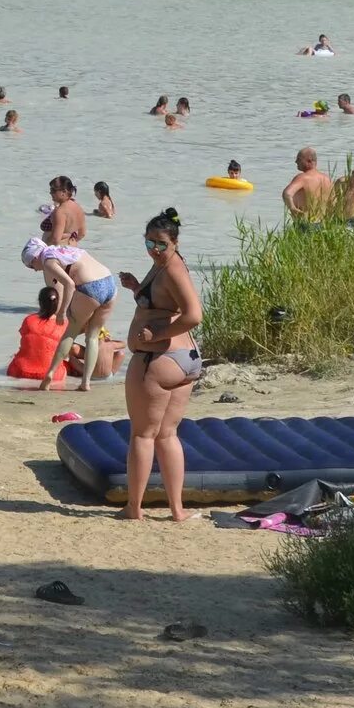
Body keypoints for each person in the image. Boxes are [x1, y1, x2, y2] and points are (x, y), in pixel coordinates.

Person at [118, 209, 203, 521]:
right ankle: (177, 511)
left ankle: (133, 508)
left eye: (161, 244)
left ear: (176, 242)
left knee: (142, 435)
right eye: (149, 242)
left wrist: (156, 335)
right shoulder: (163, 265)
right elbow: (162, 303)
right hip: (183, 361)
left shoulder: (172, 270)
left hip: (160, 360)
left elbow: (194, 314)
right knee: (167, 434)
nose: (154, 249)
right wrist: (136, 288)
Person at [24, 222, 115, 393]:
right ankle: (85, 383)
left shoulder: (48, 260)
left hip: (92, 286)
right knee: (93, 336)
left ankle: (49, 375)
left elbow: (70, 285)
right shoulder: (64, 250)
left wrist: (63, 312)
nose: (34, 270)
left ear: (35, 257)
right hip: (110, 283)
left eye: (31, 266)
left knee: (69, 333)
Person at [6, 285, 68, 382]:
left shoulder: (28, 320)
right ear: (57, 303)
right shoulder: (63, 323)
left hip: (21, 372)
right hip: (51, 375)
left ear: (40, 302)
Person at [282, 148, 336, 224]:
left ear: (309, 161)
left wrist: (292, 208)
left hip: (306, 224)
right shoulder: (327, 179)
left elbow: (287, 194)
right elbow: (333, 202)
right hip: (323, 225)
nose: (296, 161)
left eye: (299, 159)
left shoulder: (302, 178)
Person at [47, 177, 87, 246]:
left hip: (60, 249)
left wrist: (44, 245)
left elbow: (55, 240)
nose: (50, 193)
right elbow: (82, 234)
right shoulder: (79, 208)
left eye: (53, 190)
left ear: (64, 192)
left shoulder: (60, 212)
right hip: (72, 247)